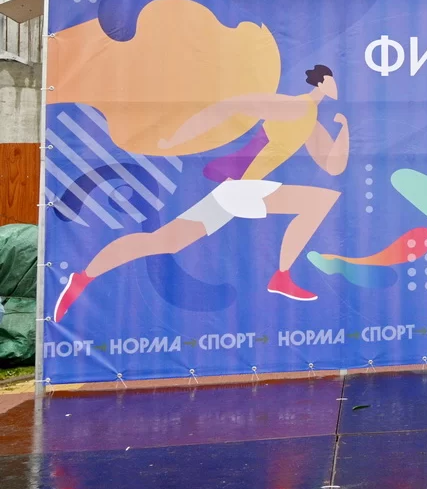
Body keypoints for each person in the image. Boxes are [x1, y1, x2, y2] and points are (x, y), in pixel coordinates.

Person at [54, 66, 350, 321]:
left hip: (238, 192)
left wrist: (346, 130)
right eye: (335, 79)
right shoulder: (293, 106)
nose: (339, 86)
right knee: (320, 201)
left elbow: (333, 165)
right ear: (323, 81)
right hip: (242, 187)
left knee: (164, 242)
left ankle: (83, 277)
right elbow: (230, 106)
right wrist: (175, 140)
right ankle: (281, 276)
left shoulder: (311, 122)